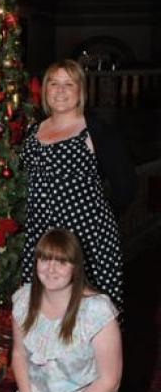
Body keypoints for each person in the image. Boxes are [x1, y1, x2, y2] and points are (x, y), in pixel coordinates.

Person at [0, 228, 122, 392]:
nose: (51, 269)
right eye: (45, 259)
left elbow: (109, 381)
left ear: (75, 268)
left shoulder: (97, 310)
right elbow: (19, 353)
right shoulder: (24, 299)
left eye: (61, 262)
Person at [20, 59, 136, 313]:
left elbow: (126, 185)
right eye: (54, 83)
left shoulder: (96, 131)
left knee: (86, 315)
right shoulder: (33, 130)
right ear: (45, 91)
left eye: (68, 84)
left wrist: (98, 219)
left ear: (80, 91)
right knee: (43, 310)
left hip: (84, 238)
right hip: (40, 235)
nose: (60, 90)